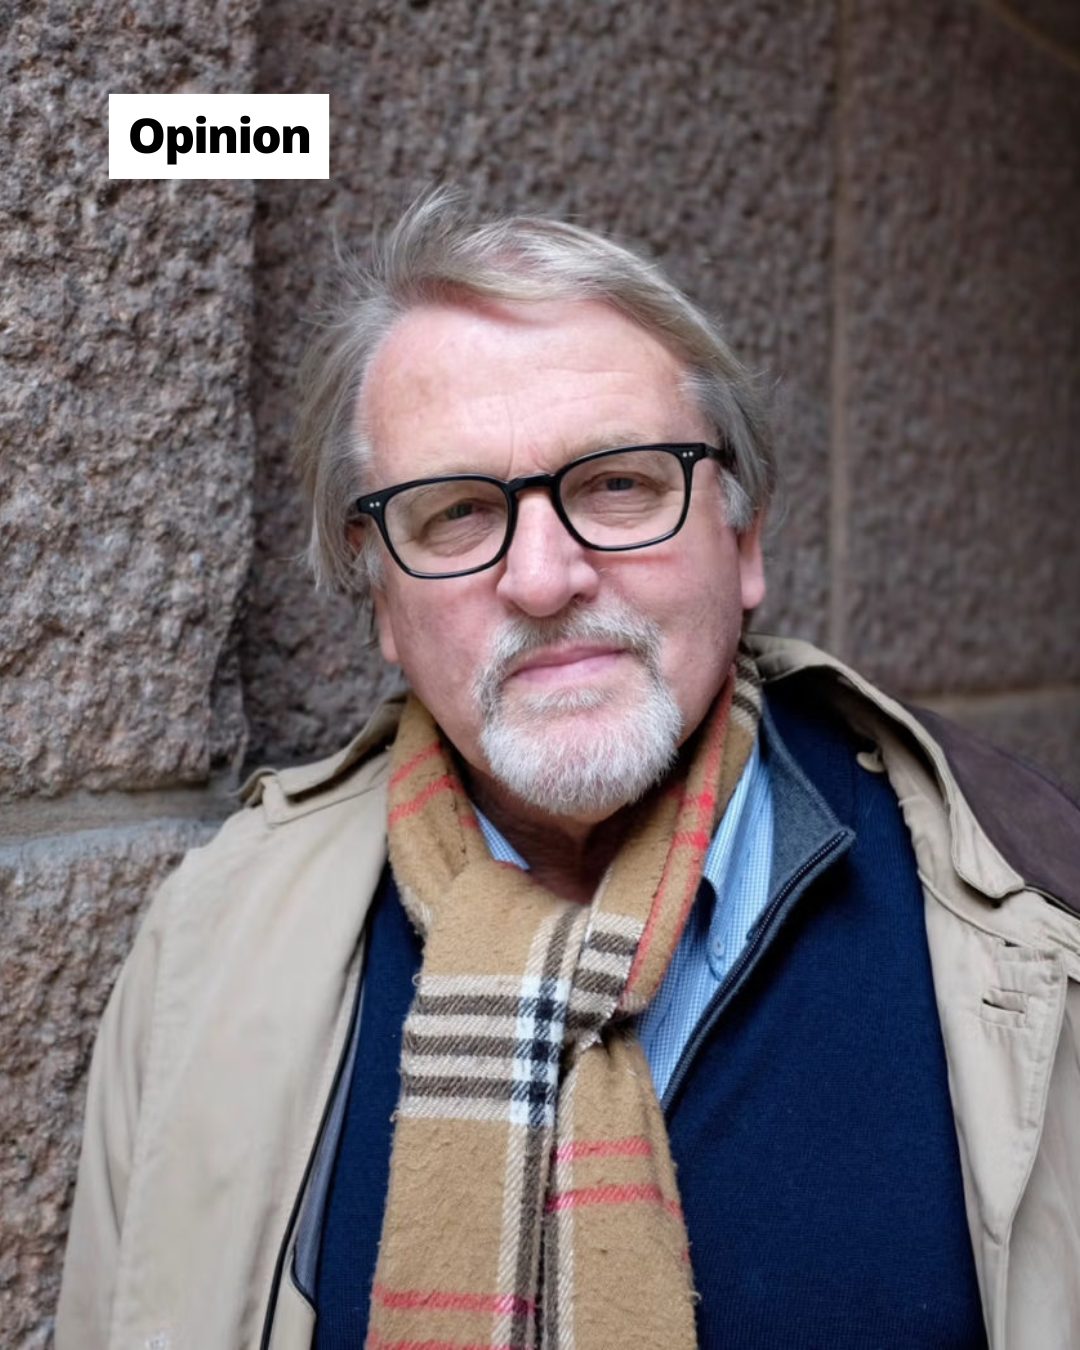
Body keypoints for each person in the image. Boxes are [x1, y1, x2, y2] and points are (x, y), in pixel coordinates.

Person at [57, 191, 1080, 1350]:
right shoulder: (213, 947)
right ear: (383, 603)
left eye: (619, 485)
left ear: (744, 542)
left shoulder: (1034, 921)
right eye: (452, 513)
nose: (544, 579)